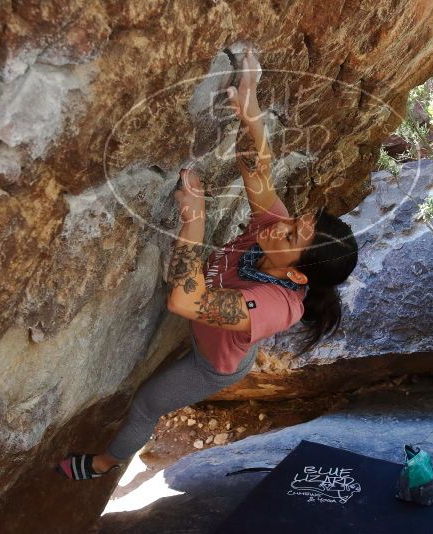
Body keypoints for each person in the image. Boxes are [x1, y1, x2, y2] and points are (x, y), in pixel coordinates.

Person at [56, 50, 358, 481]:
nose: (280, 226)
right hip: (210, 325)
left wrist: (194, 218)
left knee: (146, 404)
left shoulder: (277, 306)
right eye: (295, 221)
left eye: (292, 237)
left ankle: (104, 464)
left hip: (211, 363)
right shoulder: (277, 232)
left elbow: (185, 301)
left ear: (297, 274)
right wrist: (251, 110)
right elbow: (256, 171)